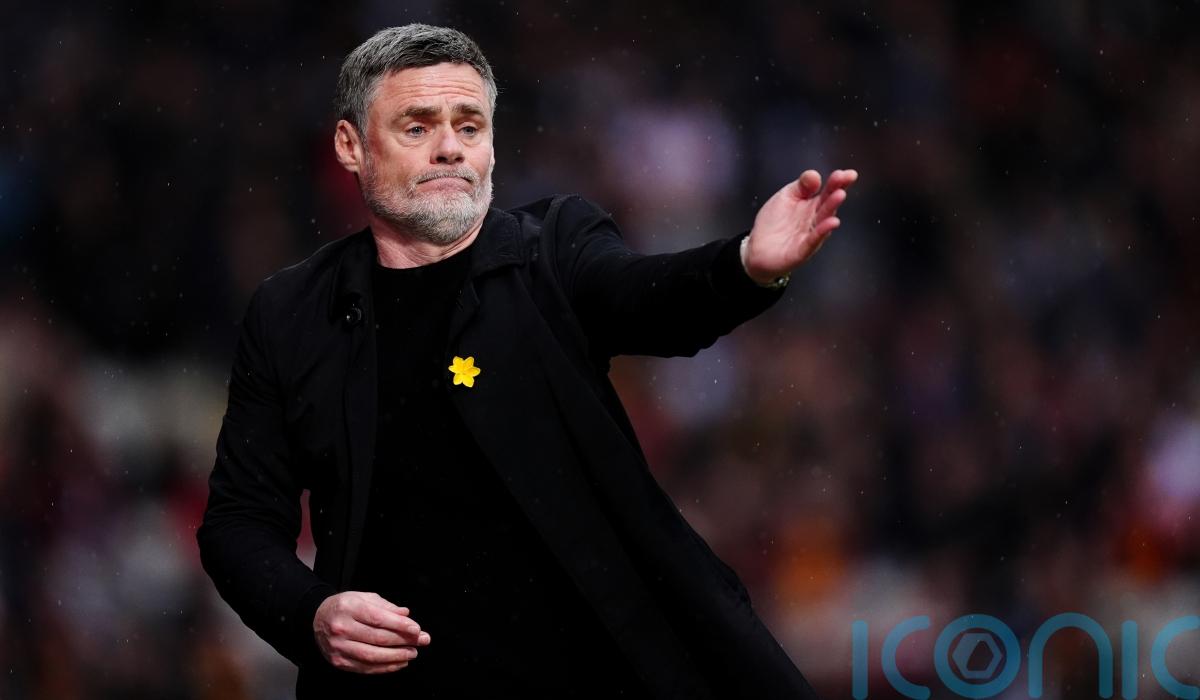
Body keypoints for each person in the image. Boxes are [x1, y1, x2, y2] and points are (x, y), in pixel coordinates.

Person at [197, 23, 857, 699]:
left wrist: (744, 266)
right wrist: (312, 612)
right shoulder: (291, 313)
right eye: (417, 127)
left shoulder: (555, 249)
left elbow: (650, 298)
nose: (450, 147)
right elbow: (238, 523)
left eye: (470, 126)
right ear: (350, 146)